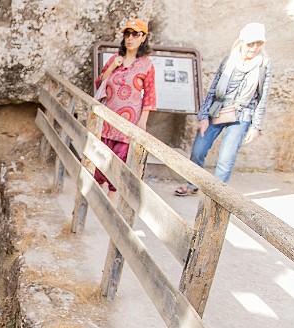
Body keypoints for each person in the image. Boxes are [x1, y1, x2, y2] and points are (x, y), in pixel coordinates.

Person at [175, 22, 271, 196]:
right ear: (242, 42)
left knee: (226, 158)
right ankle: (192, 184)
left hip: (242, 114)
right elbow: (213, 89)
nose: (254, 48)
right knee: (198, 149)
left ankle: (217, 196)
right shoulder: (229, 60)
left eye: (258, 44)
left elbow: (262, 97)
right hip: (218, 109)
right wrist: (203, 116)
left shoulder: (263, 65)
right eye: (251, 43)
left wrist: (256, 126)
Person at [94, 18, 157, 197]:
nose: (130, 38)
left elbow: (150, 94)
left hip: (129, 122)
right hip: (108, 119)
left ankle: (111, 199)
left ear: (143, 37)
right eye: (127, 34)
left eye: (135, 34)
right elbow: (100, 82)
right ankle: (96, 196)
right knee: (100, 158)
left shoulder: (146, 65)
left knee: (119, 160)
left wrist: (143, 122)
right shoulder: (115, 59)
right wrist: (113, 66)